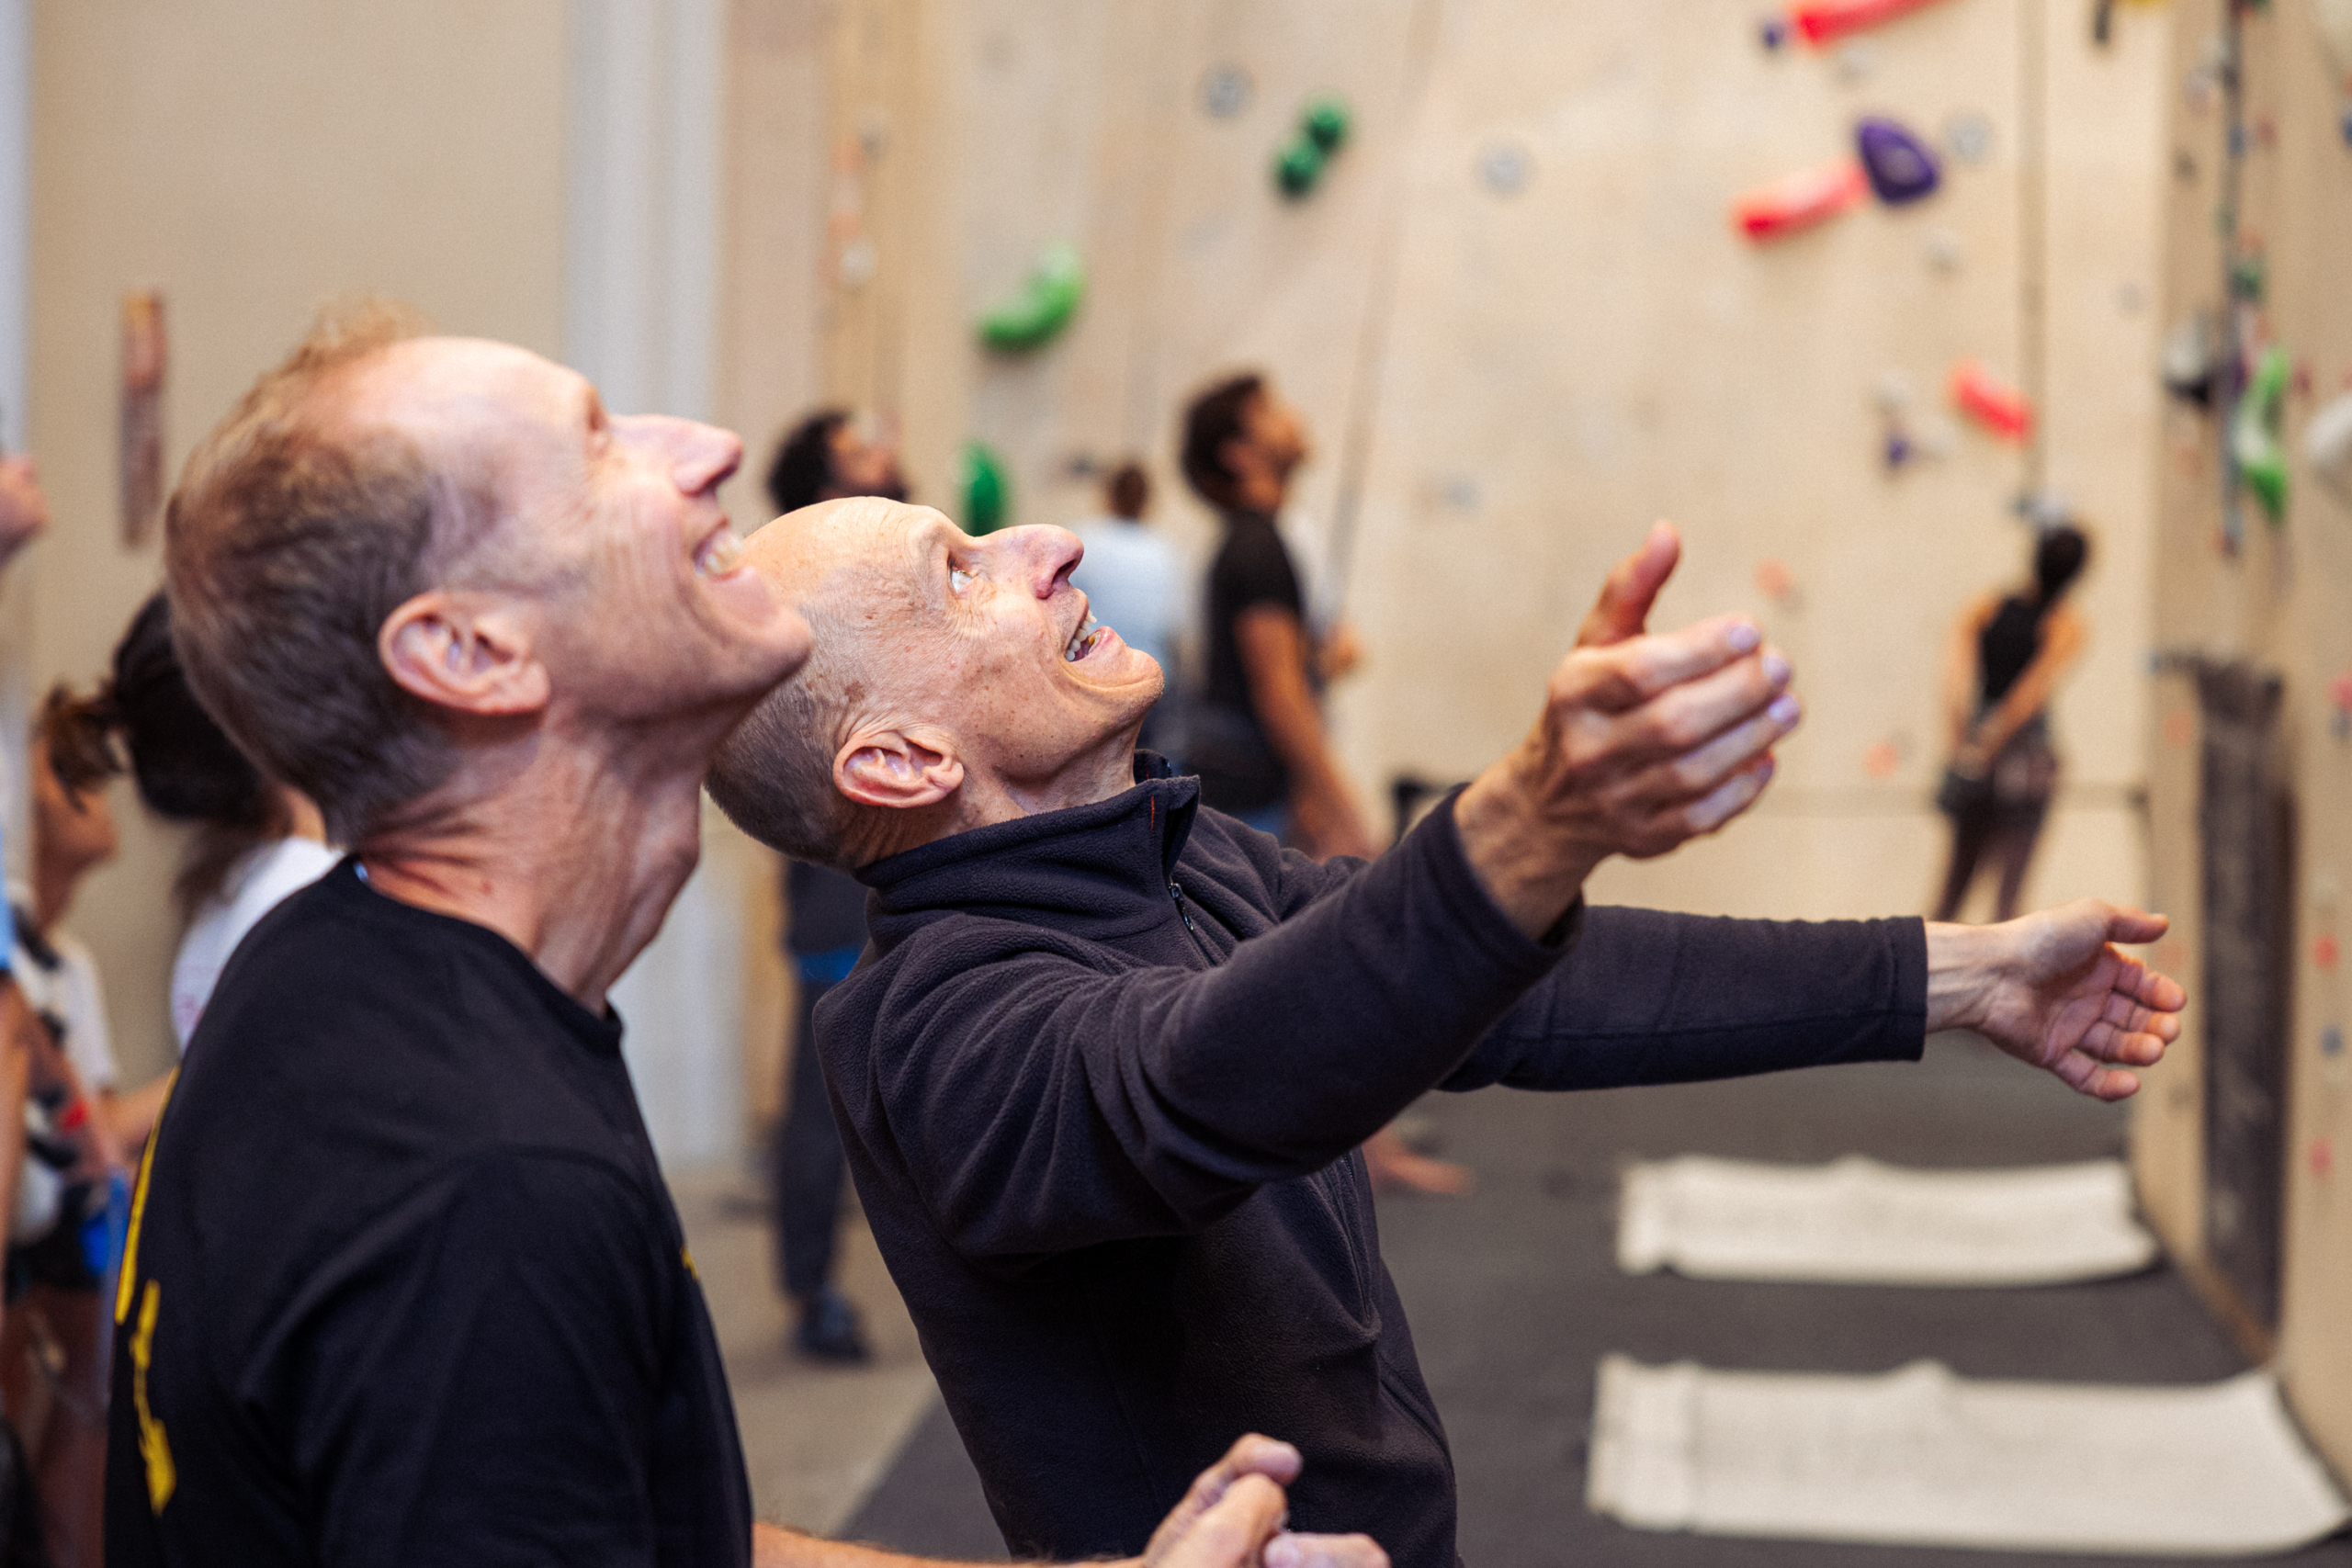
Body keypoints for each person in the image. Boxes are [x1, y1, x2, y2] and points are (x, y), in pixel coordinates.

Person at [106, 305, 1384, 1568]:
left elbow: (653, 1532)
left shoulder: (335, 965)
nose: (709, 448)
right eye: (601, 446)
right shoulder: (481, 1187)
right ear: (470, 650)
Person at [703, 498, 2186, 1568]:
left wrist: (1963, 975)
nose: (1051, 546)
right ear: (900, 759)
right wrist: (1522, 818)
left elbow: (1505, 988)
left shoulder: (1182, 854)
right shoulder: (931, 1023)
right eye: (963, 575)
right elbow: (1199, 1080)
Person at [760, 410, 913, 1362]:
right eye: (860, 436)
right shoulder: (788, 587)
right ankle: (810, 1286)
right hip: (830, 870)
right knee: (823, 1093)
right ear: (820, 471)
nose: (885, 436)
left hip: (913, 856)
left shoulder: (900, 559)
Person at [6, 687, 139, 1568]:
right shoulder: (8, 936)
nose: (100, 791)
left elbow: (98, 1135)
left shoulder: (72, 968)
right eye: (65, 769)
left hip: (48, 1254)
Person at [1180, 375, 1371, 860]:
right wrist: (1341, 808)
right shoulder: (1257, 547)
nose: (1294, 417)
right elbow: (1278, 691)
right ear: (1237, 453)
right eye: (1269, 410)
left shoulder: (1256, 539)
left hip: (1248, 791)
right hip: (1248, 802)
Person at [1933, 525, 2090, 924]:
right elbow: (2030, 694)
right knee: (2009, 901)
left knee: (1953, 888)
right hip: (2024, 762)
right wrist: (1994, 738)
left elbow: (1957, 679)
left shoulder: (1988, 606)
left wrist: (1964, 743)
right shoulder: (2065, 625)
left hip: (1977, 749)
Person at [1069, 462, 1183, 755]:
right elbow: (1174, 626)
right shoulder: (1163, 551)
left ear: (1108, 495)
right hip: (1151, 680)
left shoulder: (1086, 541)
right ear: (1147, 502)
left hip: (1095, 677)